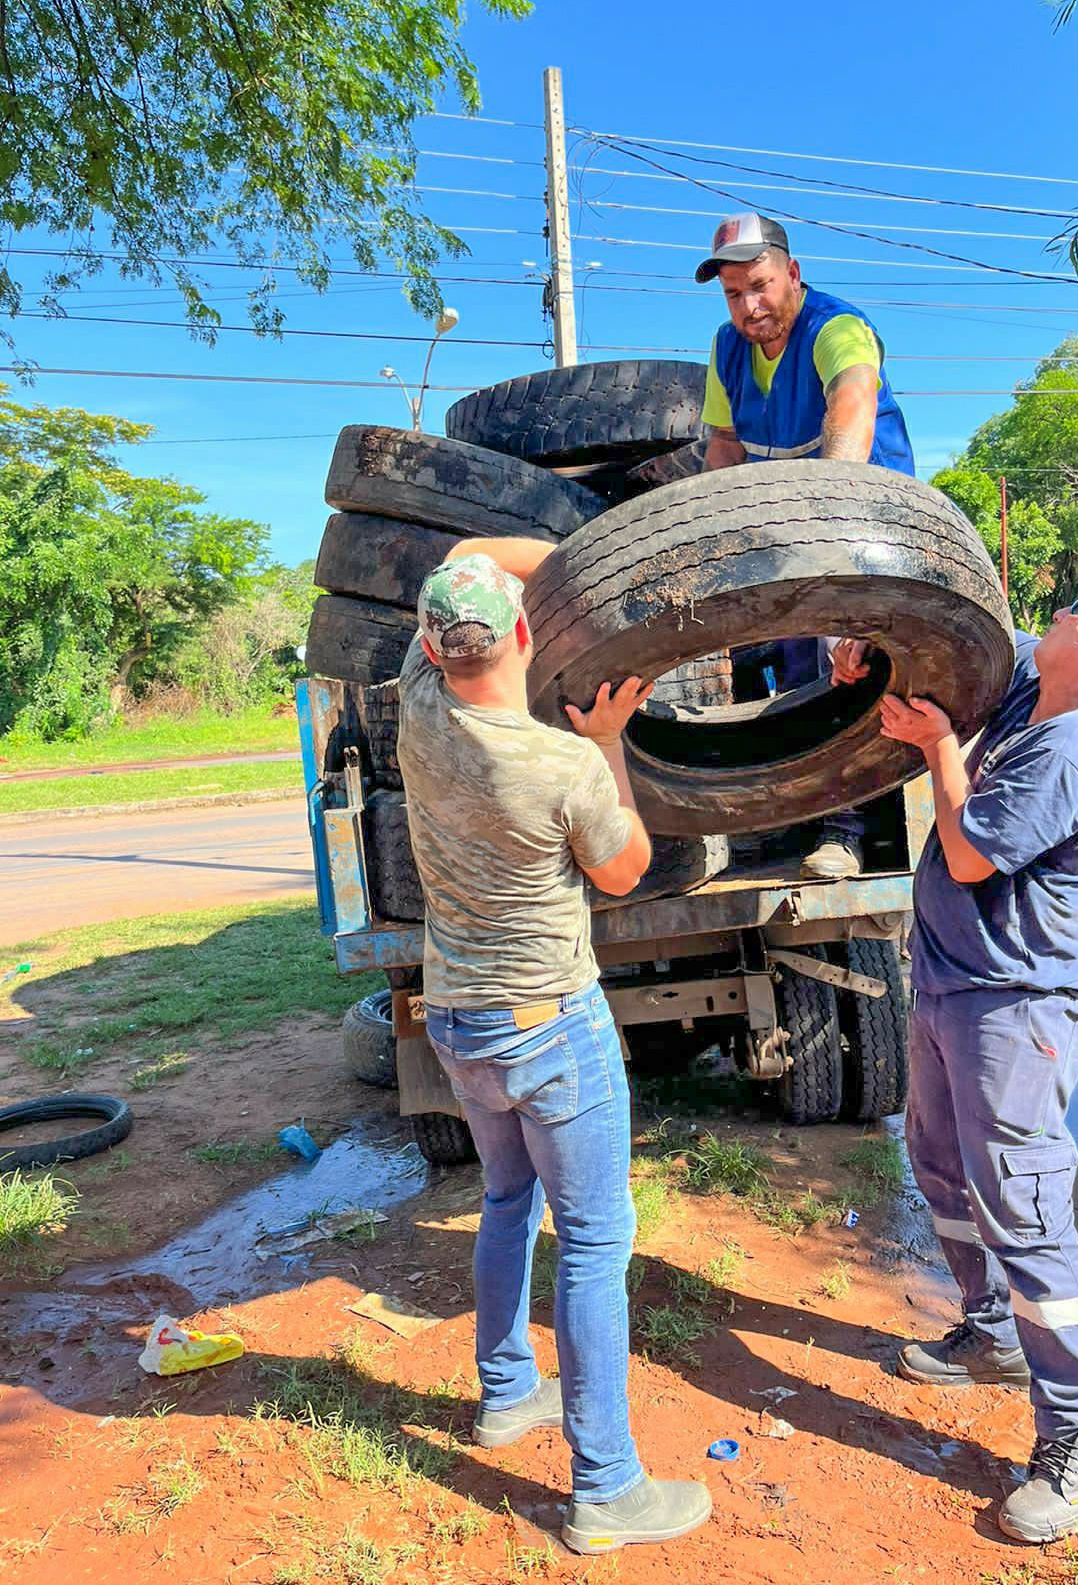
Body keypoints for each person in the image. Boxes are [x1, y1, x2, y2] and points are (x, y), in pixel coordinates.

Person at [832, 568, 1078, 1543]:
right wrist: (870, 648)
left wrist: (943, 747)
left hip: (1015, 1008)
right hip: (953, 984)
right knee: (940, 1162)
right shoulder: (1046, 684)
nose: (1065, 613)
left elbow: (973, 853)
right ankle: (991, 1333)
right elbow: (976, 642)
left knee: (1025, 1209)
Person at [394, 538, 712, 1556]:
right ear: (526, 634)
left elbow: (458, 559)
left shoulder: (417, 704)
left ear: (435, 645)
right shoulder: (566, 764)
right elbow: (626, 868)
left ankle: (503, 1395)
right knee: (592, 1242)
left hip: (459, 1021)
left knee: (503, 1201)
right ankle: (607, 1486)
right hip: (548, 1025)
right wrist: (612, 736)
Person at [696, 211, 916, 879]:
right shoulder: (727, 349)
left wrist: (829, 521)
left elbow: (850, 409)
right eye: (734, 294)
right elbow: (725, 447)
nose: (749, 306)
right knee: (783, 670)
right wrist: (713, 540)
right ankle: (788, 815)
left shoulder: (836, 327)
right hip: (788, 531)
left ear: (792, 273)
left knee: (838, 668)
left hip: (866, 524)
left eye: (760, 286)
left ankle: (844, 833)